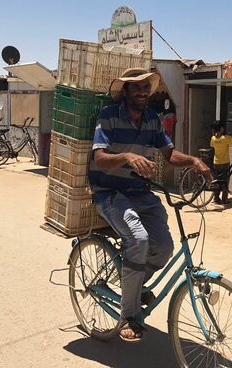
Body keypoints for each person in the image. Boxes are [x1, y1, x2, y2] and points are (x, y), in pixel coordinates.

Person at [88, 68, 211, 343]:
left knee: (164, 247)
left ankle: (134, 284)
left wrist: (193, 161)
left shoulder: (153, 119)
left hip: (139, 193)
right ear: (126, 92)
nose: (143, 92)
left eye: (146, 88)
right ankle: (128, 316)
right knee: (138, 239)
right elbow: (99, 158)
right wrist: (128, 156)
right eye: (137, 88)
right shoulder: (109, 116)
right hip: (108, 191)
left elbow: (169, 154)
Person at [209, 120, 232, 205]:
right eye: (222, 128)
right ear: (220, 129)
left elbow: (212, 145)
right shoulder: (225, 138)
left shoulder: (213, 138)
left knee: (217, 181)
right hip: (224, 163)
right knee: (225, 181)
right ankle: (224, 200)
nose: (224, 129)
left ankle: (216, 199)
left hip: (216, 163)